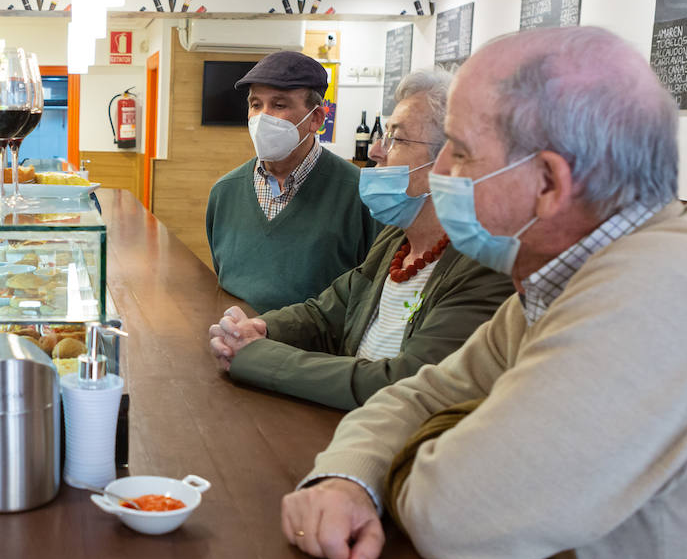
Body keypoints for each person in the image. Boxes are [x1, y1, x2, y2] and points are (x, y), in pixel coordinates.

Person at [280, 27, 687, 559]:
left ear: (548, 182)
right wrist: (347, 474)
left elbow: (453, 509)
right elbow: (420, 392)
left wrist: (398, 466)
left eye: (458, 150)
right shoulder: (569, 275)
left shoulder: (664, 289)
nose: (440, 173)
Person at [208, 70, 510, 409]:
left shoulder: (485, 266)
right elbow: (326, 315)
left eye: (397, 139)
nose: (377, 150)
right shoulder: (396, 241)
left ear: (452, 162)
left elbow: (403, 381)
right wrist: (256, 329)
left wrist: (259, 357)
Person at [205, 51, 378, 313]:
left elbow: (369, 296)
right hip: (237, 349)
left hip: (317, 353)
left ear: (316, 119)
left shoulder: (360, 194)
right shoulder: (224, 193)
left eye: (279, 105)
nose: (263, 117)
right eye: (255, 104)